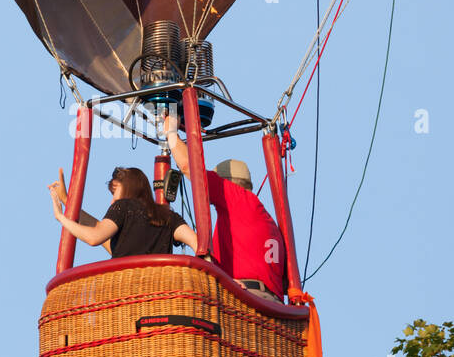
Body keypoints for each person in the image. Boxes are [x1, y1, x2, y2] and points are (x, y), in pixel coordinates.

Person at [163, 113, 286, 302]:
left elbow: (190, 169)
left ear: (228, 184)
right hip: (271, 308)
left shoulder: (238, 199)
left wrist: (171, 133)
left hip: (247, 298)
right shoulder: (265, 221)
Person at [51, 166, 197, 258]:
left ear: (129, 188)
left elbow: (94, 237)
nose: (112, 201)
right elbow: (197, 244)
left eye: (115, 192)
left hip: (127, 294)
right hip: (158, 297)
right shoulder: (168, 216)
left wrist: (61, 217)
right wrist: (67, 201)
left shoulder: (123, 206)